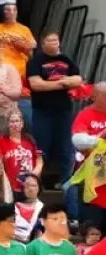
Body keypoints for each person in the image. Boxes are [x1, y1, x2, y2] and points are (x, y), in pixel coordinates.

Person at [27, 31, 83, 186]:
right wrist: (62, 83)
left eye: (56, 40)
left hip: (63, 110)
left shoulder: (66, 60)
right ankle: (36, 183)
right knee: (41, 147)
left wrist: (57, 83)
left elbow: (78, 79)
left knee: (66, 147)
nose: (54, 43)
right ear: (43, 43)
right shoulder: (35, 62)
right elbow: (36, 85)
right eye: (50, 40)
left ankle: (66, 182)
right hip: (42, 111)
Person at [1, 109, 43, 195]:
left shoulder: (30, 141)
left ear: (22, 123)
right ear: (8, 124)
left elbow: (39, 161)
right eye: (12, 121)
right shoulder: (1, 141)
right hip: (11, 188)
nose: (15, 124)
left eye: (17, 121)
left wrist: (34, 175)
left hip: (30, 186)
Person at [13, 174, 44, 243]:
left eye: (33, 185)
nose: (30, 188)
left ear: (39, 188)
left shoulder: (43, 209)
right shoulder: (13, 207)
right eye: (27, 185)